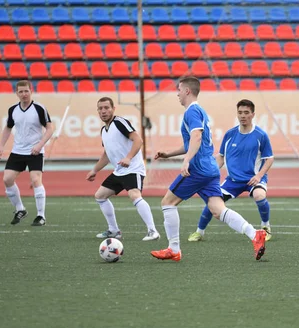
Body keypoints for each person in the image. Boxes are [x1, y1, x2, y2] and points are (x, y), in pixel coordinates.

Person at [150, 76, 267, 262]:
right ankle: (255, 234)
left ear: (187, 91)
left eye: (179, 90)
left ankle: (174, 249)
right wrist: (169, 154)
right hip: (210, 168)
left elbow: (196, 137)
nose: (177, 93)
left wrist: (186, 161)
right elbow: (194, 141)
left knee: (167, 202)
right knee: (217, 210)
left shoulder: (191, 112)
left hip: (197, 168)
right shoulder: (200, 111)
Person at [188, 99, 274, 243]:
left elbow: (269, 159)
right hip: (233, 180)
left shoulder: (261, 135)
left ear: (253, 114)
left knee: (259, 195)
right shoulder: (230, 135)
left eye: (246, 113)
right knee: (213, 201)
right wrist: (207, 172)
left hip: (254, 179)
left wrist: (259, 176)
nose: (243, 116)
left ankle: (265, 227)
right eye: (240, 113)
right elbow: (221, 157)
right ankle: (199, 232)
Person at [86, 97, 160, 242]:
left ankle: (153, 231)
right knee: (100, 196)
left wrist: (128, 158)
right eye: (100, 108)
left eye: (106, 108)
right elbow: (107, 154)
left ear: (114, 109)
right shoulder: (103, 130)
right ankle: (114, 231)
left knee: (134, 195)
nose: (103, 111)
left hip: (133, 168)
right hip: (119, 171)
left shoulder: (119, 122)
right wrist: (94, 170)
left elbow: (138, 140)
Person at [0, 80, 54, 226]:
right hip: (17, 151)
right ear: (17, 93)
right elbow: (8, 128)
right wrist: (1, 146)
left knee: (35, 180)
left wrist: (40, 145)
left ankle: (41, 216)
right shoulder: (13, 110)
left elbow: (50, 129)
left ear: (31, 91)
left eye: (26, 91)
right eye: (20, 91)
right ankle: (20, 209)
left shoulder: (39, 108)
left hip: (35, 151)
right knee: (7, 179)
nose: (24, 94)